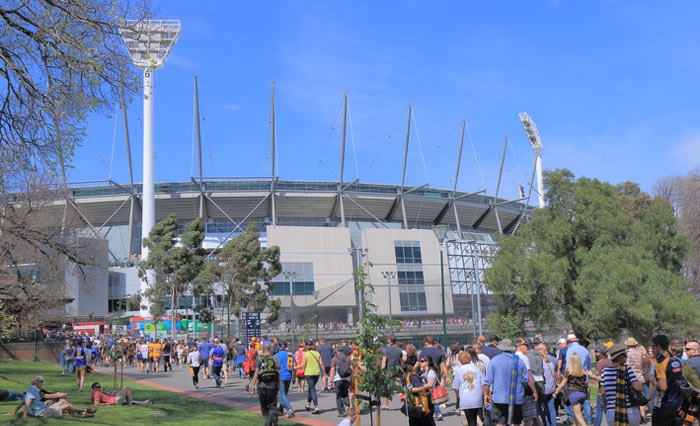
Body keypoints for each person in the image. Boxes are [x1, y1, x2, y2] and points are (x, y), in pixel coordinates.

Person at [483, 338, 535, 426]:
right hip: (516, 397)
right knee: (516, 422)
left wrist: (486, 395)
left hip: (499, 397)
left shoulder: (494, 361)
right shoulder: (519, 360)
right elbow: (525, 380)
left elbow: (488, 381)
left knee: (499, 422)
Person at [600, 343, 643, 426]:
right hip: (629, 410)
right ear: (619, 357)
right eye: (625, 355)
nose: (626, 357)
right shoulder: (626, 369)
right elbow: (638, 387)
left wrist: (606, 408)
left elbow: (603, 392)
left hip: (612, 411)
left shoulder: (605, 371)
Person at [15, 376, 96, 419]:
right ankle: (85, 410)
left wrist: (14, 412)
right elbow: (27, 403)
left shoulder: (34, 389)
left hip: (45, 408)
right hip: (43, 413)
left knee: (63, 402)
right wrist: (24, 415)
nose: (42, 383)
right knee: (66, 405)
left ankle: (83, 413)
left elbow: (23, 401)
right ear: (35, 382)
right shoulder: (33, 391)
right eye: (41, 381)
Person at [650, 334, 685, 425]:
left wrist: (653, 380)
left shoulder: (660, 364)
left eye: (653, 347)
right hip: (678, 404)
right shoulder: (675, 361)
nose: (652, 349)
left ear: (658, 347)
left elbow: (663, 386)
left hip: (665, 405)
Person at [250, 340, 281, 426]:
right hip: (273, 385)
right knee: (273, 403)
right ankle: (274, 418)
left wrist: (252, 387)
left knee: (264, 406)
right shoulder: (275, 358)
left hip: (262, 386)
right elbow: (278, 373)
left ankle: (267, 422)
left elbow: (256, 373)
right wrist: (278, 384)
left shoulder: (259, 359)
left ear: (262, 348)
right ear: (271, 348)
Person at [553, 353, 587, 426]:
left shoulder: (568, 371)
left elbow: (563, 383)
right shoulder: (583, 371)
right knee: (576, 414)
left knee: (578, 415)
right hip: (582, 393)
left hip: (573, 394)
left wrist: (556, 392)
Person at [452, 350, 484, 426]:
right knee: (475, 416)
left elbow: (455, 387)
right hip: (477, 397)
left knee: (470, 420)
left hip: (465, 398)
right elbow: (483, 383)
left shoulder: (459, 371)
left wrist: (458, 396)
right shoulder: (477, 369)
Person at [590, 345, 613, 426]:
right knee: (609, 408)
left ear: (600, 353)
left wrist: (591, 375)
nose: (595, 353)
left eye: (596, 352)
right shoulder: (610, 361)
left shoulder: (600, 363)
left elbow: (600, 378)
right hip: (611, 388)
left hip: (602, 389)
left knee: (599, 409)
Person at [302, 338, 324, 414]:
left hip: (309, 373)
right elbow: (321, 363)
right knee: (311, 388)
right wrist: (324, 373)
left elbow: (303, 365)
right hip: (316, 373)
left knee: (312, 389)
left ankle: (316, 406)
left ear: (307, 346)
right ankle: (308, 404)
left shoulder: (306, 354)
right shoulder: (317, 353)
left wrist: (297, 369)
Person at [274, 340, 295, 419]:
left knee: (282, 394)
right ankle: (280, 410)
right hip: (288, 376)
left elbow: (275, 368)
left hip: (281, 377)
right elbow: (293, 366)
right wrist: (294, 377)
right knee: (284, 394)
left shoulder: (276, 356)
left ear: (279, 347)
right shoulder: (290, 355)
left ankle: (289, 409)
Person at [330, 344, 352, 417]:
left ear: (337, 350)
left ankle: (341, 412)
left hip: (338, 378)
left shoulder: (335, 358)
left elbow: (332, 369)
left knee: (339, 395)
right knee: (345, 393)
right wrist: (351, 379)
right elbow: (351, 368)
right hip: (347, 379)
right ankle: (348, 408)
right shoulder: (348, 358)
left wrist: (331, 380)